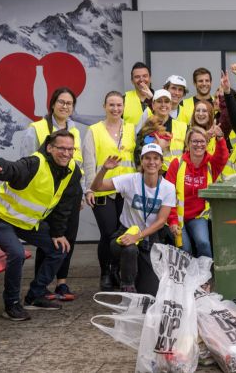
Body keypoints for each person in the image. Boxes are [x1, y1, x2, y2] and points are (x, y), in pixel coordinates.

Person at [0, 130, 80, 320]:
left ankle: (35, 296)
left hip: (25, 222)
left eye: (70, 149)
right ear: (49, 148)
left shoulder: (72, 170)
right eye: (61, 148)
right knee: (17, 253)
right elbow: (13, 168)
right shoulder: (35, 163)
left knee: (59, 249)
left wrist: (58, 233)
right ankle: (11, 305)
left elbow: (64, 205)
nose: (66, 153)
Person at [20, 87, 81, 301]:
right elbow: (26, 163)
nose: (65, 106)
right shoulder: (35, 128)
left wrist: (80, 192)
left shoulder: (75, 130)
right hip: (47, 192)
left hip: (70, 190)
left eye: (69, 103)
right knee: (49, 237)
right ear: (53, 104)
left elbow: (77, 163)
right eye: (61, 102)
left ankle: (61, 283)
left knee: (68, 236)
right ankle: (41, 285)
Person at [91, 144, 176, 294]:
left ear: (161, 162)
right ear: (141, 162)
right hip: (125, 233)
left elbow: (161, 221)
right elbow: (97, 187)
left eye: (156, 158)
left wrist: (138, 236)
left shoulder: (168, 187)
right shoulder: (131, 180)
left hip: (149, 236)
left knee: (151, 290)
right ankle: (127, 285)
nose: (152, 162)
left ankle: (134, 273)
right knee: (129, 249)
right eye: (147, 158)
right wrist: (104, 169)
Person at [83, 91, 136, 292]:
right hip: (103, 189)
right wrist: (89, 189)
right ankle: (106, 272)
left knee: (123, 232)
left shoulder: (130, 129)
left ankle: (118, 271)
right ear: (104, 106)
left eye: (119, 105)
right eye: (111, 105)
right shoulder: (94, 130)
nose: (115, 109)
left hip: (126, 190)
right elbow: (89, 163)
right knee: (108, 233)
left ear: (124, 107)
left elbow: (136, 158)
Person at [165, 126, 227, 259]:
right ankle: (188, 278)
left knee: (203, 243)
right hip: (177, 217)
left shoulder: (211, 164)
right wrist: (173, 221)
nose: (199, 145)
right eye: (195, 141)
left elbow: (222, 157)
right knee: (185, 249)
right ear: (188, 143)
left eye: (202, 141)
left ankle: (205, 275)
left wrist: (220, 138)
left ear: (206, 143)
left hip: (198, 217)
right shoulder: (177, 163)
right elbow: (167, 195)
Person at [135, 89, 188, 172]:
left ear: (170, 105)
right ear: (153, 104)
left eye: (166, 101)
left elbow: (188, 153)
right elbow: (138, 153)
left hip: (177, 175)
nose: (163, 105)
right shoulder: (147, 127)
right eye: (159, 101)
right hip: (153, 175)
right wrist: (156, 146)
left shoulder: (182, 127)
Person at [123, 62, 154, 126]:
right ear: (132, 81)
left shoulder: (160, 99)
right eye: (137, 77)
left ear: (150, 78)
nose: (141, 79)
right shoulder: (123, 100)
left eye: (145, 76)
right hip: (131, 136)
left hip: (155, 136)